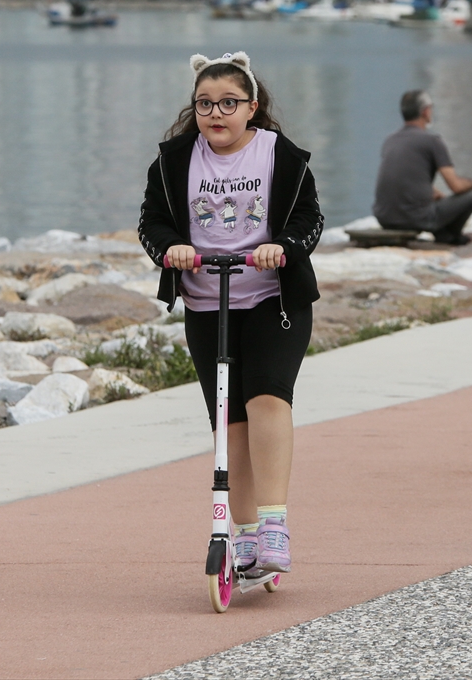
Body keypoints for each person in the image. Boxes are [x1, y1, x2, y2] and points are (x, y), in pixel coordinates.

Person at [138, 51, 322, 575]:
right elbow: (152, 221)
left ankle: (273, 523)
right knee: (228, 420)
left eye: (228, 103)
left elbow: (310, 218)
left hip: (272, 299)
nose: (215, 114)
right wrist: (171, 248)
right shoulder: (174, 161)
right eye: (204, 104)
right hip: (207, 300)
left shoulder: (279, 156)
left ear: (252, 107)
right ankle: (240, 532)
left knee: (266, 397)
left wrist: (282, 246)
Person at [372, 91, 472, 245]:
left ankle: (444, 232)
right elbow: (456, 186)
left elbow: (405, 177)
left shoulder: (390, 141)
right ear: (425, 111)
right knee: (471, 195)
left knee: (435, 201)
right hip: (416, 219)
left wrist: (432, 192)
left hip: (384, 218)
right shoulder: (432, 141)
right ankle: (451, 236)